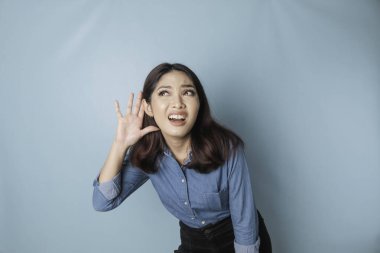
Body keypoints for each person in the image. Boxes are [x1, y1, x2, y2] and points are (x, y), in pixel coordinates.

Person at [92, 63, 271, 253]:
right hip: (193, 242)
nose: (178, 103)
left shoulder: (228, 148)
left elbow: (244, 220)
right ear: (148, 107)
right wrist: (120, 145)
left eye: (188, 93)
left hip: (239, 239)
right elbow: (102, 202)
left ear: (199, 103)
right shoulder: (148, 154)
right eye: (164, 93)